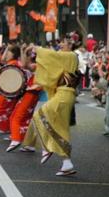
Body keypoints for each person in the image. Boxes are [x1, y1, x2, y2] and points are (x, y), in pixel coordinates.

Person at [23, 38, 80, 176]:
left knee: (39, 115)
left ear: (71, 45)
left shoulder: (71, 56)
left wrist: (36, 48)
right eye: (61, 43)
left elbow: (52, 56)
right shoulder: (64, 59)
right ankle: (66, 163)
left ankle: (47, 147)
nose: (61, 45)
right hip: (62, 95)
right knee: (60, 128)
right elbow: (49, 65)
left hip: (64, 95)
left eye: (64, 43)